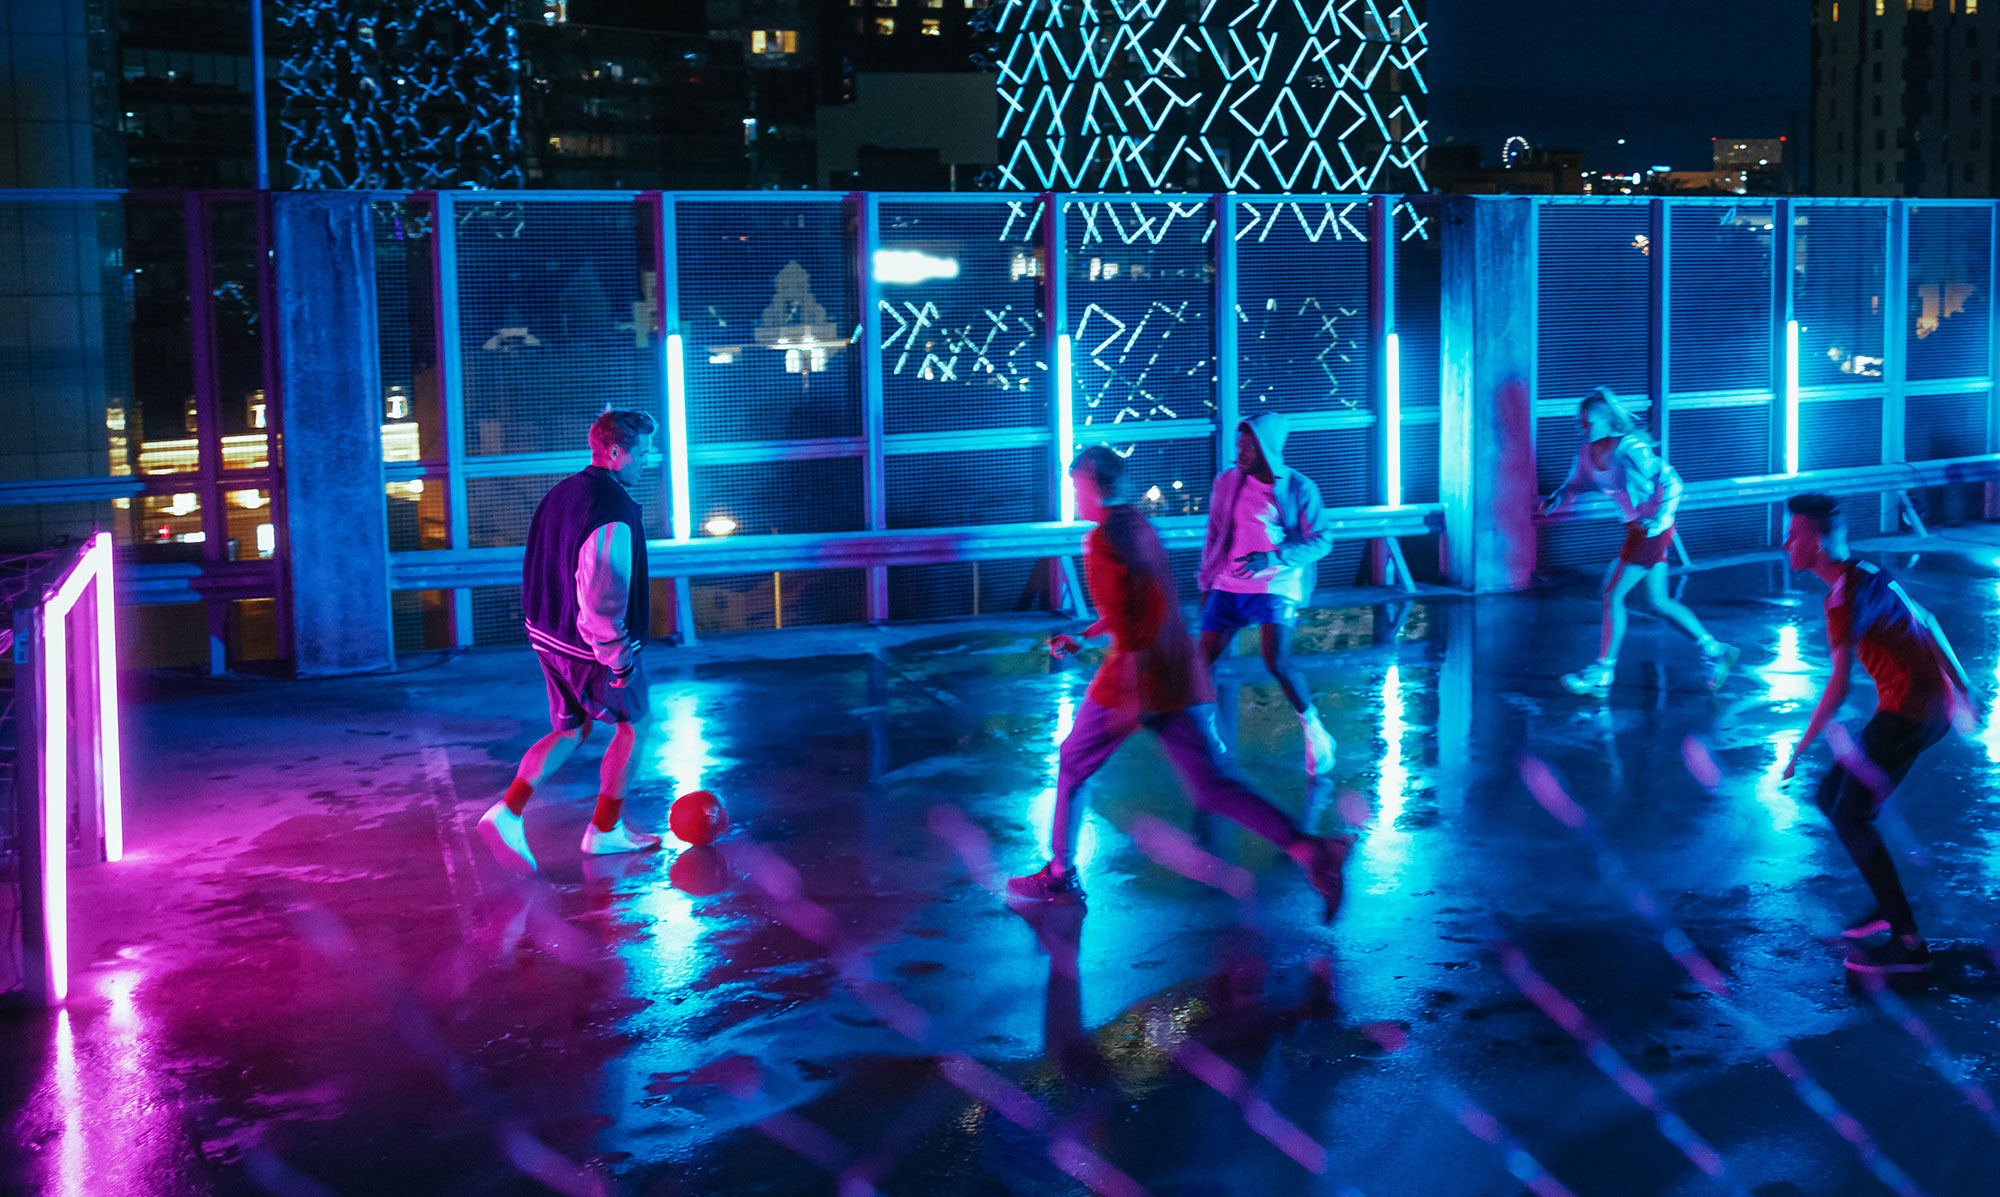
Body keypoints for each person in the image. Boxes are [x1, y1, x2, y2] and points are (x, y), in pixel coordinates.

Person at [1006, 445, 1352, 919]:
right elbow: (1138, 606)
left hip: (1137, 680)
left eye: (1076, 483)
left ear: (1092, 484)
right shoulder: (1135, 525)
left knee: (1072, 762)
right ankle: (1313, 853)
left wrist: (1129, 698)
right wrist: (1085, 637)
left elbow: (1131, 628)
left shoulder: (1103, 542)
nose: (1073, 492)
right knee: (1212, 786)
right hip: (1176, 671)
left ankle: (1060, 876)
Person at [1781, 493, 1974, 975]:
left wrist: (1799, 748)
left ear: (1818, 542)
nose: (1785, 544)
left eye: (1794, 536)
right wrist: (1963, 685)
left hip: (1911, 712)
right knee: (1832, 797)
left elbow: (1840, 684)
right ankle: (1887, 909)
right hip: (1927, 708)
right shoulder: (1868, 570)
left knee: (1849, 812)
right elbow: (1926, 620)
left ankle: (1909, 945)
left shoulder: (1842, 597)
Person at [478, 409, 664, 874]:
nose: (649, 461)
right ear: (617, 452)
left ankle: (508, 812)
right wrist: (618, 660)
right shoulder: (613, 511)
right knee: (635, 725)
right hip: (591, 649)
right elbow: (602, 594)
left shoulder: (564, 491)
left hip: (549, 637)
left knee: (570, 728)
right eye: (642, 453)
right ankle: (604, 831)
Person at [1540, 387, 1737, 698]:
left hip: (1652, 530)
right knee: (1657, 602)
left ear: (1608, 421)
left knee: (1611, 595)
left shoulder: (1630, 449)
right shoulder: (1588, 453)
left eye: (1589, 423)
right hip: (1636, 529)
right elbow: (1577, 483)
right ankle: (1715, 649)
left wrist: (1659, 519)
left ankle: (1603, 671)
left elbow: (1672, 481)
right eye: (1581, 422)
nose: (1583, 428)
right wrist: (1559, 495)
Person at [1196, 413, 1338, 774]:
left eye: (1248, 446)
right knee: (1199, 663)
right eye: (1238, 444)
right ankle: (1208, 731)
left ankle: (1314, 729)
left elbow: (1321, 540)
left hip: (1277, 583)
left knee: (1276, 660)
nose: (1240, 451)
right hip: (1228, 583)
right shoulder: (1227, 482)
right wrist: (1206, 581)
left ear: (1266, 448)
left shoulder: (1299, 488)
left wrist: (1273, 557)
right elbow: (1214, 534)